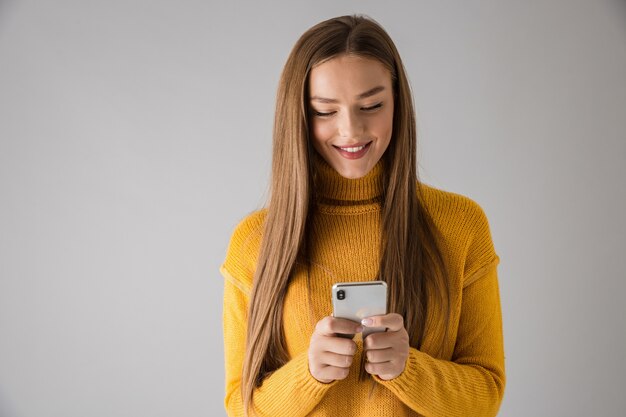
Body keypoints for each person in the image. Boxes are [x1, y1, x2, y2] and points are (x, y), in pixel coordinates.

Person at [219, 14, 505, 417]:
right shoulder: (254, 241)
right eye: (325, 111)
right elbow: (241, 406)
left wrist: (410, 370)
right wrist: (308, 375)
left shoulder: (460, 225)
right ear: (298, 115)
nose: (350, 130)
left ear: (398, 105)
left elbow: (487, 395)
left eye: (371, 105)